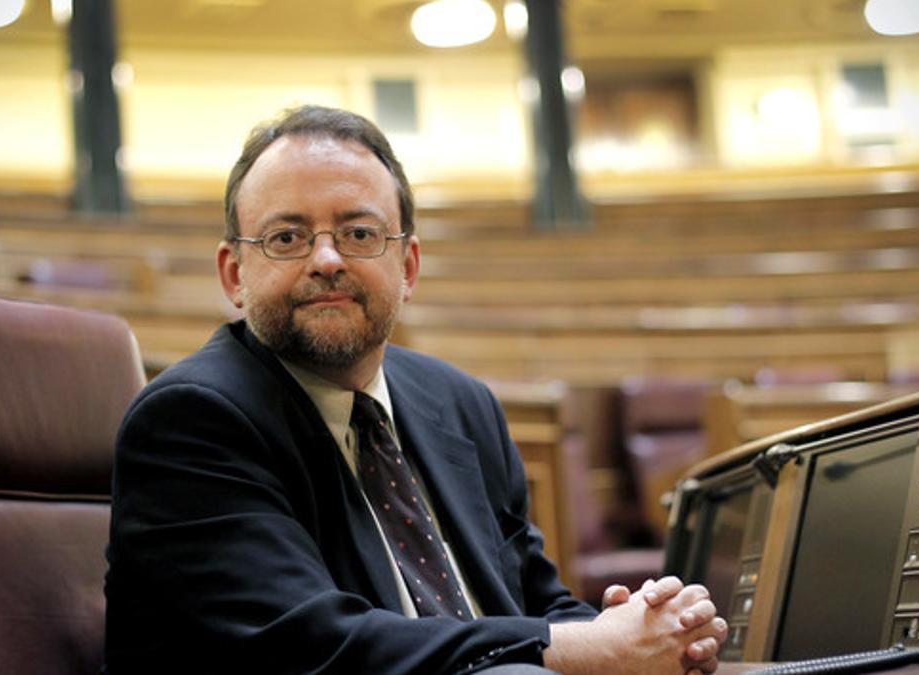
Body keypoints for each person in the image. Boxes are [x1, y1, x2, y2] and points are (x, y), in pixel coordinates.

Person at [104, 105, 728, 674]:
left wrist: (644, 631)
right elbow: (313, 648)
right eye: (287, 237)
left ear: (407, 268)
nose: (326, 259)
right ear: (235, 273)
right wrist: (574, 647)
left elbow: (534, 603)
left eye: (359, 233)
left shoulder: (458, 402)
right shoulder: (193, 420)